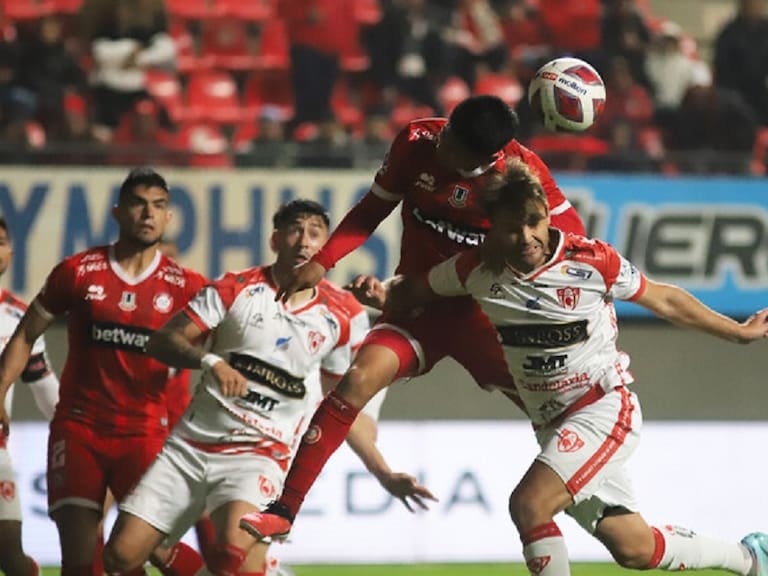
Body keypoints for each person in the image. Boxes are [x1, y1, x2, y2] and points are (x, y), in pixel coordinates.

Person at [355, 159, 768, 575]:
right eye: (513, 227)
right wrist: (382, 293)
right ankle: (752, 560)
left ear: (547, 214)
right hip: (553, 425)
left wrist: (738, 332)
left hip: (603, 408)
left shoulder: (591, 261)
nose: (527, 236)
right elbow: (417, 288)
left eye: (534, 221)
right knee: (635, 548)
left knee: (529, 505)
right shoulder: (476, 269)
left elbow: (663, 298)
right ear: (492, 227)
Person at [239, 93, 585, 541]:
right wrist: (322, 261)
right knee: (356, 381)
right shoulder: (419, 138)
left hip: (486, 316)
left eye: (453, 148)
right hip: (416, 303)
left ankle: (605, 502)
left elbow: (569, 242)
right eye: (446, 134)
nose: (441, 147)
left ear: (484, 159)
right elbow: (371, 209)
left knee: (551, 413)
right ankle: (284, 511)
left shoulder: (520, 178)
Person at [102, 200, 435, 576]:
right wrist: (210, 361)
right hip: (190, 446)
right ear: (276, 239)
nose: (304, 242)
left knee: (231, 554)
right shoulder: (234, 288)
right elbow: (162, 341)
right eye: (295, 230)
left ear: (328, 248)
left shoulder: (343, 315)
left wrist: (384, 473)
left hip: (261, 454)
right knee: (119, 557)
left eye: (315, 234)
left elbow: (341, 407)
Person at [0, 167, 207, 576]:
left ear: (168, 217)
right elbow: (24, 335)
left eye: (159, 206)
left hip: (146, 434)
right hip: (79, 430)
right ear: (117, 212)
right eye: (138, 203)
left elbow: (230, 348)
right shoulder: (78, 271)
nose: (148, 214)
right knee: (79, 562)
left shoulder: (187, 286)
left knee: (155, 552)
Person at [0, 217, 60, 576]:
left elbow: (46, 392)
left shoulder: (18, 316)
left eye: (2, 241)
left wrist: (82, 428)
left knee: (11, 558)